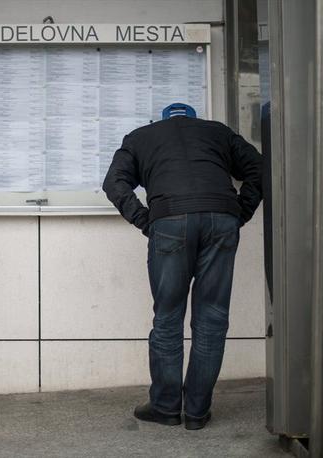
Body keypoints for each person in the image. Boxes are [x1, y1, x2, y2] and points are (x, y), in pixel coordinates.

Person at [102, 103, 262, 430]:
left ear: (161, 121)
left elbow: (114, 182)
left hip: (170, 220)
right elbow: (260, 169)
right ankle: (198, 412)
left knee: (168, 317)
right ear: (194, 120)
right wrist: (239, 213)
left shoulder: (139, 137)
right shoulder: (219, 132)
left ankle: (165, 407)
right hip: (220, 218)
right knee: (212, 317)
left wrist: (146, 220)